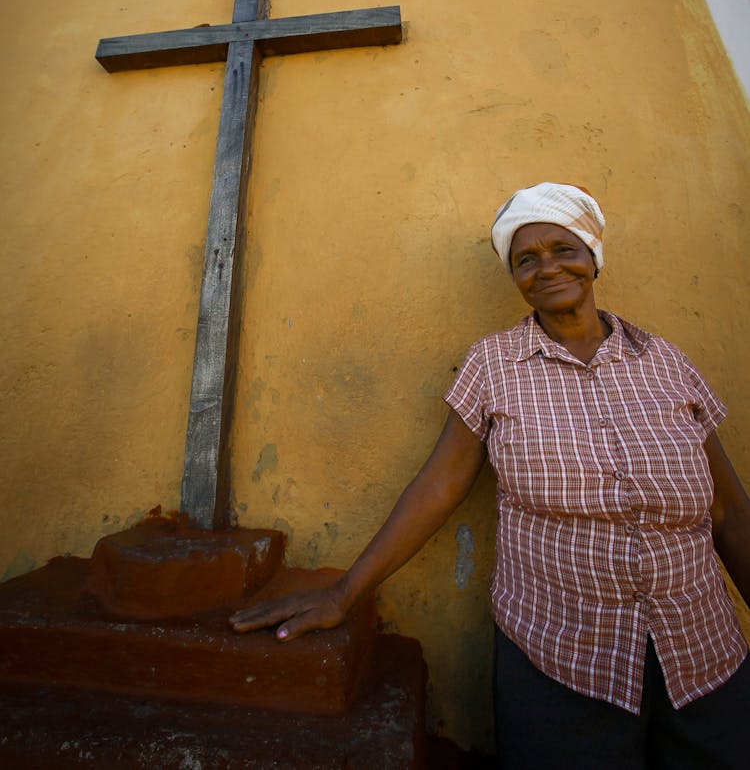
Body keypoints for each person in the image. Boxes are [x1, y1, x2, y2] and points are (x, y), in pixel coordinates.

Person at [231, 182, 750, 768]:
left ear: (593, 256)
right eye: (526, 259)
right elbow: (438, 486)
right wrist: (345, 592)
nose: (547, 267)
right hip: (562, 662)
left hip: (704, 656)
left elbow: (729, 510)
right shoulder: (494, 365)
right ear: (514, 276)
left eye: (564, 248)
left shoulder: (667, 362)